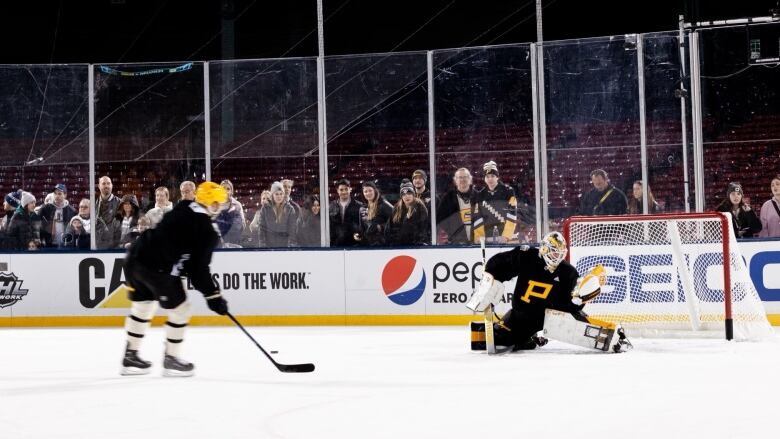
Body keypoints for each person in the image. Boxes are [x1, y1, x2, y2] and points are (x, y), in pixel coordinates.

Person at [119, 181, 230, 377]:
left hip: (135, 257)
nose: (220, 207)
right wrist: (214, 297)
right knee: (181, 310)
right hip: (159, 268)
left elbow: (179, 245)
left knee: (143, 307)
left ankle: (130, 356)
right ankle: (172, 358)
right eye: (219, 203)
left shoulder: (183, 206)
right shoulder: (207, 230)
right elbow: (198, 270)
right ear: (212, 204)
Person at [482, 232, 586, 351]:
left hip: (546, 321)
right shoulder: (527, 256)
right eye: (554, 251)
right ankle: (527, 338)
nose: (557, 256)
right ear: (544, 248)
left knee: (522, 343)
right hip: (519, 316)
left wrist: (578, 302)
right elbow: (503, 262)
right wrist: (490, 274)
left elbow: (570, 305)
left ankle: (531, 338)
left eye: (560, 253)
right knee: (498, 339)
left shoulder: (568, 272)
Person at [472, 161, 518, 244]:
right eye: (487, 176)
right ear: (484, 178)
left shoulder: (508, 192)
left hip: (506, 237)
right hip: (487, 238)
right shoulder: (480, 195)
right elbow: (477, 218)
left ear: (497, 177)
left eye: (492, 176)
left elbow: (512, 215)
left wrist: (506, 235)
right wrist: (479, 237)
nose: (490, 179)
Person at [437, 168, 476, 244]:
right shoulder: (448, 197)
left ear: (470, 179)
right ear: (455, 181)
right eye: (460, 177)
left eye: (465, 177)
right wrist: (451, 233)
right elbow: (440, 218)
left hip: (475, 241)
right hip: (455, 242)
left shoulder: (478, 195)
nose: (463, 179)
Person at [385, 180, 430, 245]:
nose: (407, 196)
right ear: (401, 197)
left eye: (409, 193)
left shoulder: (420, 207)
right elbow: (390, 228)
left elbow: (424, 228)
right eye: (404, 194)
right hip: (398, 245)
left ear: (413, 194)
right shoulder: (396, 208)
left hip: (416, 246)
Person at [256, 181, 297, 247]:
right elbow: (261, 229)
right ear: (272, 195)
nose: (279, 196)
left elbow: (292, 230)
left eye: (281, 194)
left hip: (285, 247)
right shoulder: (265, 208)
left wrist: (290, 246)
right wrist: (263, 246)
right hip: (268, 247)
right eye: (277, 194)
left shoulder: (290, 209)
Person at [355, 181, 393, 246]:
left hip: (383, 245)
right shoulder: (362, 208)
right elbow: (361, 228)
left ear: (375, 191)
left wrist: (381, 227)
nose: (368, 193)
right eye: (365, 191)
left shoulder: (384, 205)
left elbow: (396, 222)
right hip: (367, 244)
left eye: (370, 190)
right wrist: (358, 234)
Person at [38, 184, 76, 248]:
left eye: (59, 194)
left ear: (65, 195)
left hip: (65, 245)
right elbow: (37, 224)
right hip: (48, 244)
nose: (57, 196)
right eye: (55, 193)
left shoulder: (72, 211)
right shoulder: (45, 208)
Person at [329, 178, 363, 247]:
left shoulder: (359, 206)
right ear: (337, 191)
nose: (344, 192)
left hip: (354, 244)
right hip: (335, 244)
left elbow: (362, 225)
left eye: (346, 189)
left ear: (350, 189)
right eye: (341, 190)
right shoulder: (331, 206)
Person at [96, 176, 120, 249]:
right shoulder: (93, 203)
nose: (106, 186)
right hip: (97, 244)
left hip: (114, 244)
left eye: (108, 183)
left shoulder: (120, 203)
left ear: (112, 185)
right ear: (99, 186)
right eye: (103, 183)